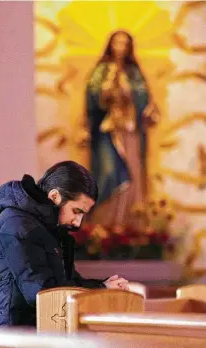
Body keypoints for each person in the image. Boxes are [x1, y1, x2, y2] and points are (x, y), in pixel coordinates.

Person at [0, 161, 129, 327]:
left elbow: (68, 283)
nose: (77, 223)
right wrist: (101, 289)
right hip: (13, 336)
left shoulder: (49, 228)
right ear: (54, 196)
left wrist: (103, 286)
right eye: (77, 211)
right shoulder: (16, 224)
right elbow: (42, 293)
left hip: (41, 331)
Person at [86, 30, 158, 230]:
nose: (120, 47)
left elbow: (143, 97)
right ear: (110, 45)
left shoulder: (133, 72)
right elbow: (92, 98)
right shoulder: (101, 71)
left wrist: (131, 92)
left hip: (129, 131)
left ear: (129, 47)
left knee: (132, 174)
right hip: (107, 132)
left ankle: (128, 223)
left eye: (124, 44)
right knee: (108, 172)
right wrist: (105, 90)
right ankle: (103, 224)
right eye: (117, 43)